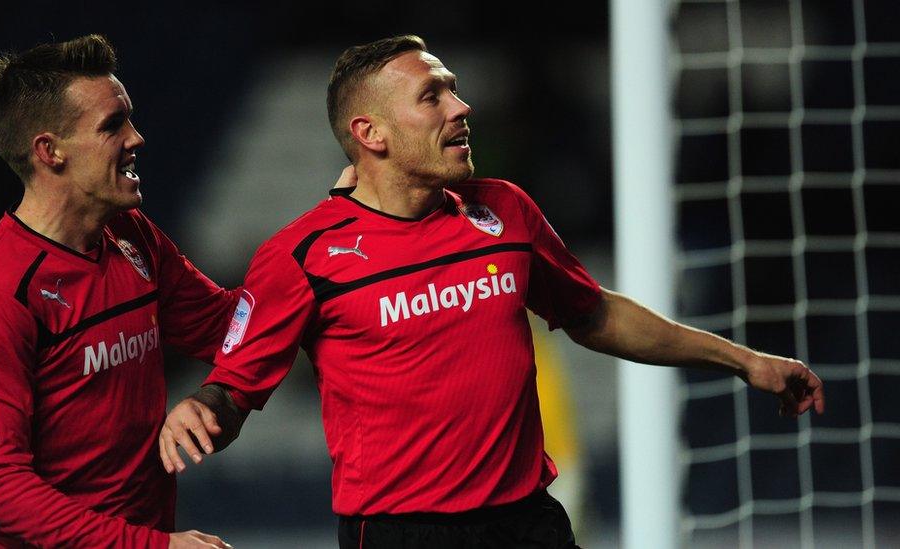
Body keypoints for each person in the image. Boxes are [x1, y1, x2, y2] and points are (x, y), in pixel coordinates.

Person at [159, 35, 825, 549]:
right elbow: (236, 386)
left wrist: (745, 360)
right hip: (400, 533)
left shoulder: (504, 210)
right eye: (433, 97)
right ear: (370, 133)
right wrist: (205, 410)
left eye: (452, 89)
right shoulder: (303, 254)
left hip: (526, 520)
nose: (460, 106)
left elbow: (594, 312)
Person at [0, 34, 241, 548]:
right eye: (111, 126)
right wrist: (155, 547)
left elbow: (228, 327)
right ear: (49, 151)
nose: (136, 137)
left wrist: (323, 251)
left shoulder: (131, 235)